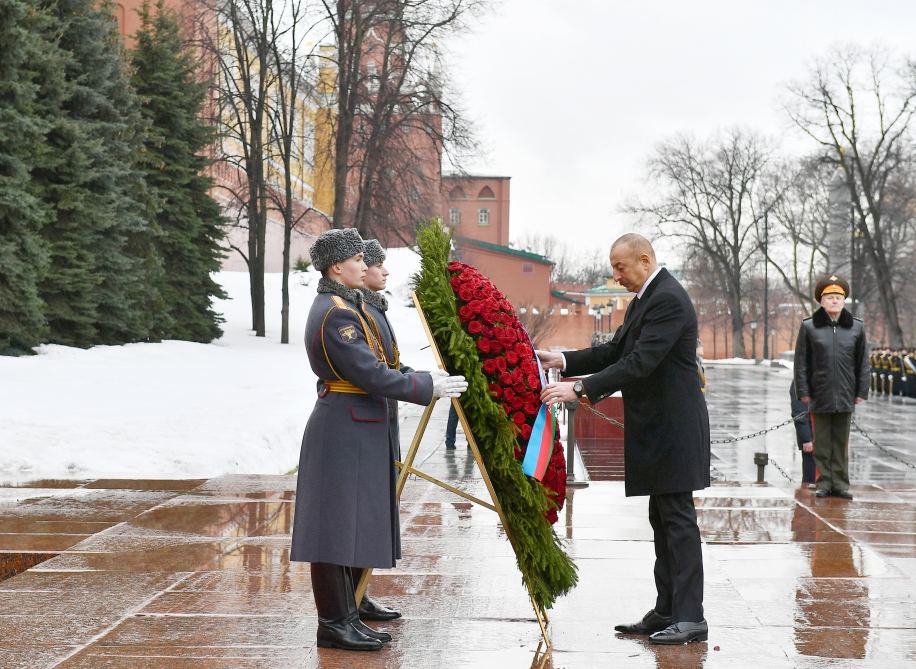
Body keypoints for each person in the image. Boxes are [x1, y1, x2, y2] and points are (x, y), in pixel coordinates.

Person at [290, 228, 467, 651]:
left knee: (348, 522)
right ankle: (334, 622)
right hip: (343, 427)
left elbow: (380, 364)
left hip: (356, 424)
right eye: (359, 259)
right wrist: (425, 386)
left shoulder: (346, 306)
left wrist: (421, 378)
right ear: (338, 267)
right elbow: (369, 373)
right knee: (334, 528)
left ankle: (347, 613)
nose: (367, 266)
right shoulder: (336, 314)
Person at [538, 233, 711, 645]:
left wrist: (580, 390)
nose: (615, 276)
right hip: (658, 426)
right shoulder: (644, 300)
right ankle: (667, 609)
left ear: (645, 260)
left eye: (621, 267)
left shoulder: (667, 298)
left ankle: (691, 616)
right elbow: (616, 350)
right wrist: (564, 361)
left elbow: (641, 362)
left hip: (675, 427)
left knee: (678, 521)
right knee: (662, 519)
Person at [793, 273, 868, 500]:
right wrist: (803, 392)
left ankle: (840, 484)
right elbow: (801, 363)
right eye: (830, 297)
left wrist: (861, 391)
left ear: (844, 300)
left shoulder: (856, 328)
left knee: (841, 442)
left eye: (838, 296)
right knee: (822, 443)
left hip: (845, 393)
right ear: (821, 301)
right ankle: (824, 482)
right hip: (820, 392)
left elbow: (863, 362)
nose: (834, 301)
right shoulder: (809, 327)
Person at [789, 381, 816, 485]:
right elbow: (799, 412)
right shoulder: (800, 381)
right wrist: (806, 439)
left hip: (823, 436)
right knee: (810, 481)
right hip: (811, 438)